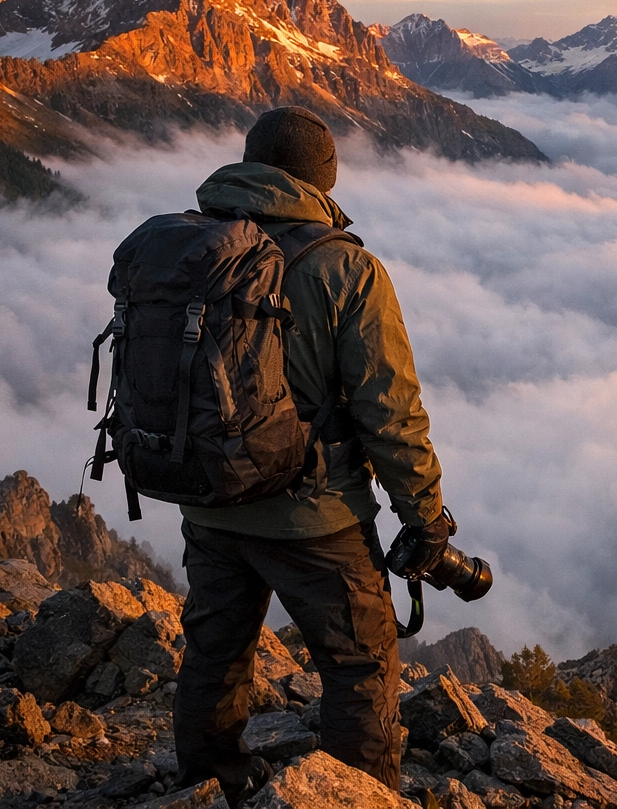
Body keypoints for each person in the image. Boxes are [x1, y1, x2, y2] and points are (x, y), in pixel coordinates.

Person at [173, 106, 446, 802]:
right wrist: (425, 517)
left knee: (214, 653)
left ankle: (211, 786)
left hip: (208, 499)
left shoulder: (186, 246)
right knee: (359, 666)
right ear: (323, 179)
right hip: (313, 517)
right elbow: (389, 410)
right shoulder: (345, 268)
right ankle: (356, 795)